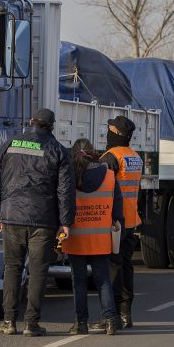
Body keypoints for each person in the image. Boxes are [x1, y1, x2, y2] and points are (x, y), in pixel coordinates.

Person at [0, 108, 75, 337]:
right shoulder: (58, 150)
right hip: (43, 220)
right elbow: (65, 191)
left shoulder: (9, 144)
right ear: (51, 126)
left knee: (12, 268)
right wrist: (66, 222)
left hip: (12, 216)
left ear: (30, 123)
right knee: (37, 272)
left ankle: (9, 321)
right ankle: (31, 324)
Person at [62, 139, 124, 336]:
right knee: (103, 280)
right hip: (101, 239)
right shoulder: (109, 176)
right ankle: (110, 320)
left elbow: (63, 206)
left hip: (76, 239)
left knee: (78, 281)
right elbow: (118, 210)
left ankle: (81, 323)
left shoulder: (69, 177)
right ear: (94, 153)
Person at [100, 115, 142, 329]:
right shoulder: (135, 157)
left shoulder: (110, 157)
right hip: (131, 220)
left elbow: (102, 191)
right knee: (127, 266)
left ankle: (113, 315)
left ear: (115, 134)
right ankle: (126, 313)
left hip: (114, 223)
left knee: (112, 268)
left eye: (109, 129)